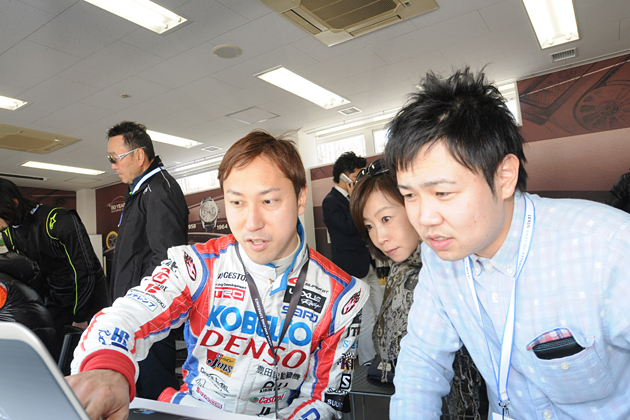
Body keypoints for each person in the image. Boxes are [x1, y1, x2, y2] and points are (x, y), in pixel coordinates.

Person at [67, 130, 370, 420]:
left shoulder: (343, 294)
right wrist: (106, 367)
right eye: (237, 202)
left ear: (300, 198)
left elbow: (324, 399)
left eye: (269, 201)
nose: (252, 222)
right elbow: (127, 314)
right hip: (194, 411)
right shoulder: (198, 265)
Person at [385, 67, 630, 420]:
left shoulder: (608, 247)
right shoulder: (439, 258)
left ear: (504, 177)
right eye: (409, 195)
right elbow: (422, 361)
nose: (424, 218)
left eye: (442, 193)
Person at [350, 160, 486, 418]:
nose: (379, 237)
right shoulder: (402, 269)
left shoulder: (442, 271)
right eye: (369, 226)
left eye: (386, 218)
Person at [106, 121, 189, 400]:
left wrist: (140, 305)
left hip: (148, 317)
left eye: (115, 158)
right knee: (137, 392)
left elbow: (166, 259)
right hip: (133, 313)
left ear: (139, 155)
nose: (113, 166)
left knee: (154, 394)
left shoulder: (160, 190)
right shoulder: (140, 190)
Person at [0, 178, 110, 345]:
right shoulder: (9, 232)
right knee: (57, 350)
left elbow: (86, 270)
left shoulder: (59, 220)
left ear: (13, 204)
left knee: (91, 351)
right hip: (54, 299)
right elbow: (31, 274)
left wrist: (80, 317)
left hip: (87, 298)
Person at [322, 151, 383, 365]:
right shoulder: (330, 202)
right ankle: (367, 361)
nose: (360, 179)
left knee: (379, 308)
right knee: (365, 315)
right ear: (344, 176)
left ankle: (380, 354)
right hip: (350, 267)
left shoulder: (352, 198)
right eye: (357, 175)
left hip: (366, 263)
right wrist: (354, 197)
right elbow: (349, 227)